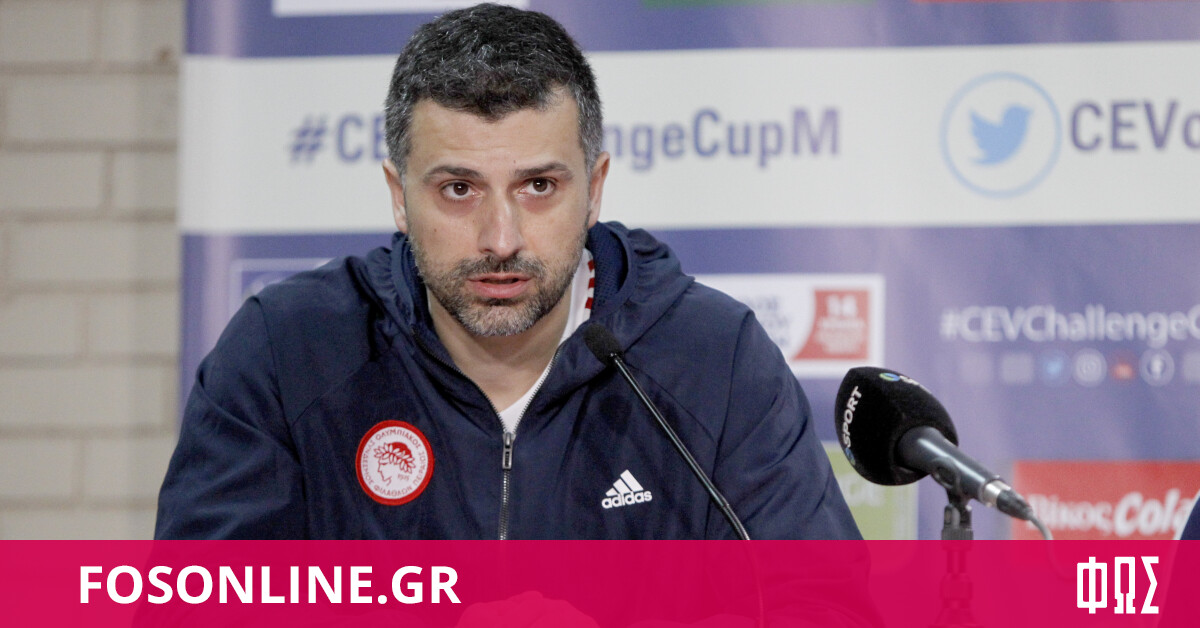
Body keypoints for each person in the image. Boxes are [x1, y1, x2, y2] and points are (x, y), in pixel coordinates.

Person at [155, 2, 860, 541]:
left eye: (539, 187)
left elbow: (822, 607)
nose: (501, 239)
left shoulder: (715, 360)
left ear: (595, 188)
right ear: (399, 196)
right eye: (459, 189)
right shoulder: (287, 353)